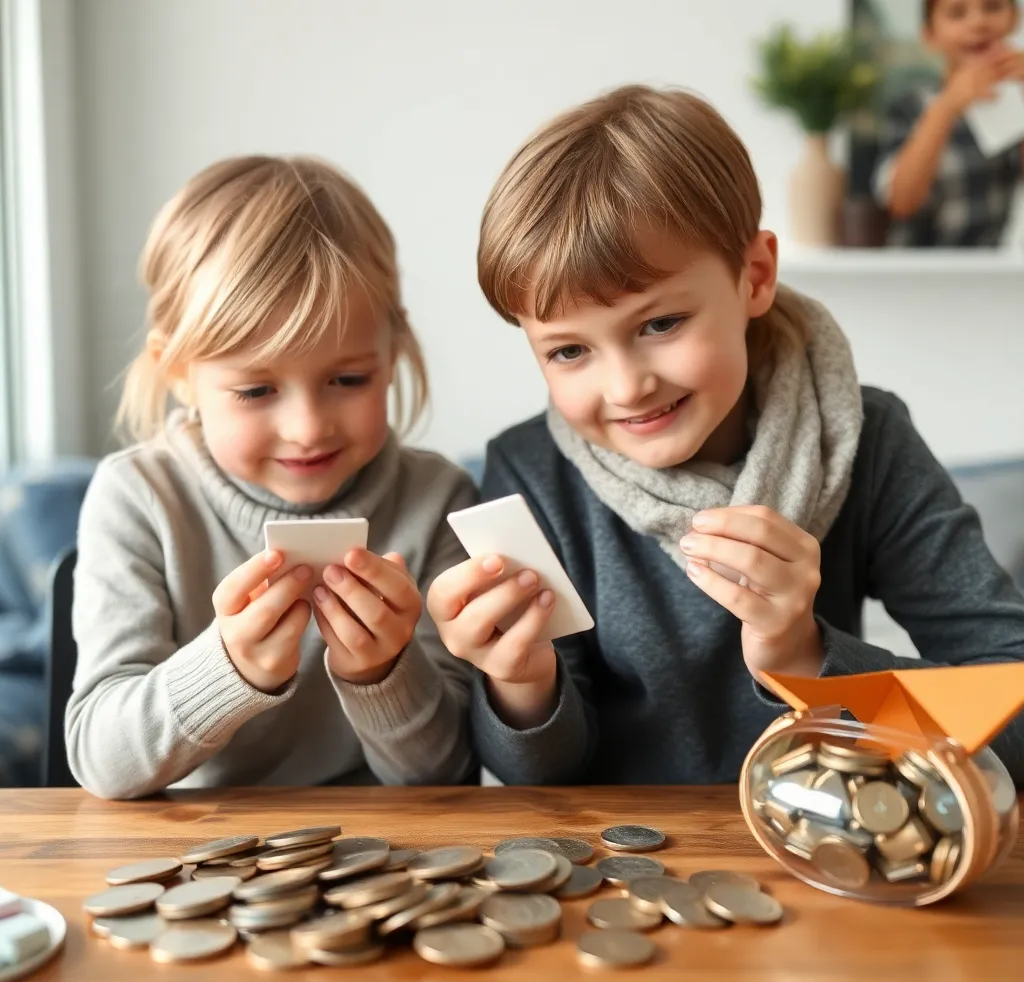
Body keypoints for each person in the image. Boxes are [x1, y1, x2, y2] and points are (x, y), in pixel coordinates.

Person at [427, 85, 1024, 786]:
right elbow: (540, 782)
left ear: (756, 277)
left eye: (660, 324)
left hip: (837, 852)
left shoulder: (866, 438)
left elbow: (1010, 703)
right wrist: (523, 684)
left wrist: (804, 661)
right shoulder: (531, 471)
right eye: (568, 351)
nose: (625, 387)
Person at [66, 156, 477, 798]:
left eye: (348, 380)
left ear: (393, 352)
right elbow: (103, 761)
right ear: (177, 373)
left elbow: (445, 774)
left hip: (383, 860)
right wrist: (229, 668)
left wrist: (381, 672)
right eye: (256, 390)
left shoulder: (434, 501)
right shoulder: (139, 499)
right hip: (191, 859)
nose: (308, 427)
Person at [875, 0, 1024, 247]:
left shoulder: (1015, 100)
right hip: (920, 274)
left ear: (1015, 19)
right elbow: (901, 202)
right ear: (930, 35)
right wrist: (948, 105)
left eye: (993, 7)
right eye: (957, 13)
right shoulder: (911, 106)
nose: (978, 22)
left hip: (994, 275)